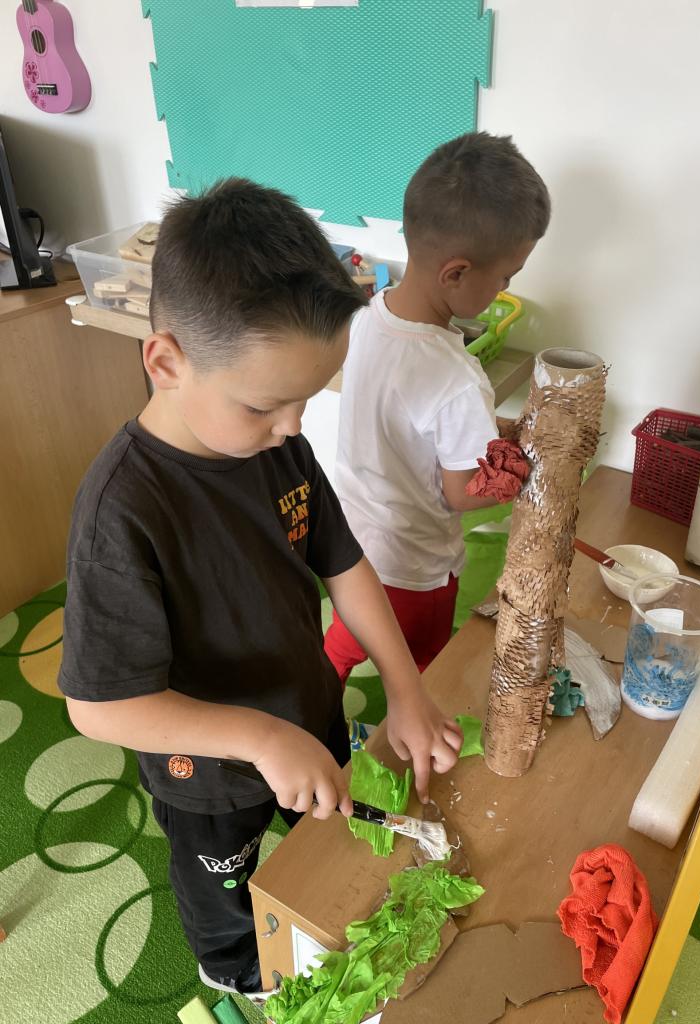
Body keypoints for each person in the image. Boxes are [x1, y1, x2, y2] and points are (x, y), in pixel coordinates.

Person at [58, 179, 463, 1000]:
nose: (293, 427)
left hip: (305, 711)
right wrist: (258, 738)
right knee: (226, 884)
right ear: (166, 362)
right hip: (206, 774)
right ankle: (233, 963)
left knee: (329, 836)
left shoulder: (276, 448)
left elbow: (344, 564)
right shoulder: (121, 513)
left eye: (306, 400)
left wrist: (405, 686)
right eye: (266, 404)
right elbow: (98, 707)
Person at [325, 132, 551, 681]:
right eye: (505, 278)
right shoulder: (456, 377)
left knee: (343, 645)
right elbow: (460, 492)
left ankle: (309, 705)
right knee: (426, 670)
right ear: (456, 274)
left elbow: (408, 425)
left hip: (351, 549)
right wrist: (519, 470)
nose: (503, 289)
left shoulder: (370, 315)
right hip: (413, 570)